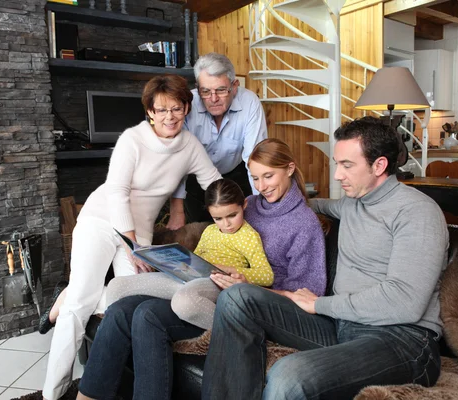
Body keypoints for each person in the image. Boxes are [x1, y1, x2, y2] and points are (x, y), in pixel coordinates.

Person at [202, 116, 449, 400]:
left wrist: (320, 303)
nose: (337, 175)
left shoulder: (417, 212)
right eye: (337, 163)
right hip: (340, 325)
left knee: (289, 375)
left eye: (347, 165)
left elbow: (405, 302)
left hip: (402, 340)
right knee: (238, 297)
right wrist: (257, 203)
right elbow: (308, 207)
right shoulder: (353, 203)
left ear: (379, 165)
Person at [74, 138, 326, 400]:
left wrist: (247, 286)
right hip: (209, 285)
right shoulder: (248, 204)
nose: (262, 186)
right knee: (121, 309)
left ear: (290, 168)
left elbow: (307, 293)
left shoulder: (304, 223)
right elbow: (217, 239)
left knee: (148, 314)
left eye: (269, 176)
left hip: (250, 303)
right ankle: (88, 397)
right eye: (255, 178)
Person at [41, 74, 222, 400]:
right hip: (102, 219)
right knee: (78, 309)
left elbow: (214, 183)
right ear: (150, 112)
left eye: (177, 109)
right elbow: (118, 193)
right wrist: (135, 248)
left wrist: (244, 206)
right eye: (161, 110)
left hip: (140, 233)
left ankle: (73, 294)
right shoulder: (132, 140)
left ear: (186, 109)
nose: (170, 117)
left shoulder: (190, 146)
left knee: (128, 304)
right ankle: (52, 393)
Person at [104, 178, 274, 330]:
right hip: (186, 279)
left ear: (244, 205)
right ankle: (121, 338)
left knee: (184, 302)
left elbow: (267, 275)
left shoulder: (249, 235)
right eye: (218, 218)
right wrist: (173, 263)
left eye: (232, 215)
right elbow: (196, 258)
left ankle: (240, 331)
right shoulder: (209, 231)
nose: (227, 224)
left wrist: (231, 270)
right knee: (116, 286)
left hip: (215, 283)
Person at [167, 53, 268, 228]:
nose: (213, 99)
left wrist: (263, 208)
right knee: (199, 233)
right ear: (198, 89)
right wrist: (177, 212)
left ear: (234, 86)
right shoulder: (186, 106)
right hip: (195, 179)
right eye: (205, 91)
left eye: (221, 90)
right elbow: (178, 162)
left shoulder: (250, 102)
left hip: (236, 176)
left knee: (244, 229)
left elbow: (255, 159)